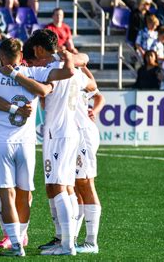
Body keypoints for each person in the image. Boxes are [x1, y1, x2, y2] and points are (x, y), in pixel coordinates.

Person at [0, 38, 75, 256]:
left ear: (0, 56)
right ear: (21, 56)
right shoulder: (35, 72)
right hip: (26, 144)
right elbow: (67, 74)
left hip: (1, 142)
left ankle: (16, 244)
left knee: (7, 193)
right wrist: (62, 57)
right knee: (24, 193)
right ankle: (21, 236)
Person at [23, 29, 94, 256]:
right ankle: (67, 239)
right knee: (66, 187)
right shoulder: (70, 66)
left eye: (33, 55)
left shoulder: (49, 69)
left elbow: (40, 86)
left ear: (39, 49)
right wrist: (76, 59)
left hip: (58, 133)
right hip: (70, 131)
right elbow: (90, 85)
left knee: (57, 187)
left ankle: (67, 245)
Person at [73, 68, 105, 255]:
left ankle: (91, 242)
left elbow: (99, 97)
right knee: (76, 187)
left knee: (86, 183)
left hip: (83, 133)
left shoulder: (77, 74)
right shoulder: (55, 71)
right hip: (72, 134)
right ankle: (73, 237)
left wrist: (95, 111)